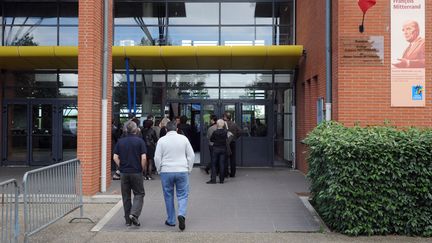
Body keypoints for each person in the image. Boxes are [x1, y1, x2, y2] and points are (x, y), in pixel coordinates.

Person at [154, 121, 195, 231]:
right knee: (182, 195)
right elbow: (191, 155)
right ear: (176, 129)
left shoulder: (161, 140)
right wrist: (189, 169)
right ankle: (181, 214)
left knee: (168, 195)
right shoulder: (184, 139)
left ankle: (171, 220)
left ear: (166, 130)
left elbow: (157, 157)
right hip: (182, 170)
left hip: (166, 171)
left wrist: (159, 169)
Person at [113, 120, 147, 227]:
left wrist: (121, 166)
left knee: (126, 196)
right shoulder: (140, 141)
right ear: (136, 130)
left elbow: (115, 157)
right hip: (136, 171)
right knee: (139, 193)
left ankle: (128, 220)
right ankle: (134, 214)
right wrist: (141, 168)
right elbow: (144, 157)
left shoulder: (120, 141)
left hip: (124, 172)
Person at [207, 119, 228, 184]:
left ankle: (213, 180)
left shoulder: (215, 132)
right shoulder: (225, 132)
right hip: (223, 149)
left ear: (217, 124)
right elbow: (227, 138)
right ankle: (221, 180)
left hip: (215, 149)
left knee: (214, 164)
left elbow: (211, 139)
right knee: (222, 164)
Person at [223, 112, 241, 178]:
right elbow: (240, 131)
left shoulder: (223, 124)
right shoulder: (234, 124)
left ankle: (226, 173)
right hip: (233, 142)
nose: (223, 118)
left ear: (226, 117)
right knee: (233, 158)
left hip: (226, 143)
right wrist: (235, 137)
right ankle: (233, 173)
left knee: (225, 158)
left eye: (224, 116)